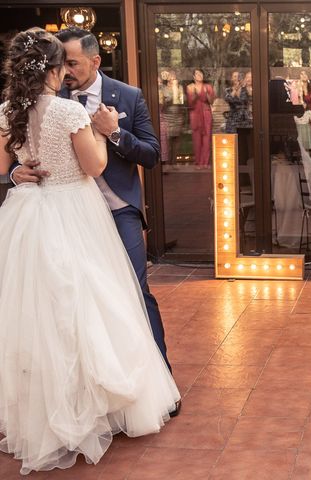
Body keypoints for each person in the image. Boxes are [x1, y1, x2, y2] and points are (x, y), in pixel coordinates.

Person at [0, 27, 180, 475]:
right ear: (56, 68)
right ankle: (100, 405)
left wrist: (16, 170)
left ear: (93, 62)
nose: (70, 72)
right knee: (93, 302)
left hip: (35, 218)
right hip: (75, 213)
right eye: (66, 65)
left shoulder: (8, 110)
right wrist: (104, 133)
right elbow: (93, 165)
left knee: (41, 309)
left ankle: (48, 408)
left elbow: (151, 153)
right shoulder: (64, 110)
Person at [186, 68, 215, 167]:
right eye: (197, 74)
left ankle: (205, 162)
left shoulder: (208, 86)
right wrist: (195, 93)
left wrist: (206, 94)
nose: (200, 75)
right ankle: (198, 162)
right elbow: (190, 102)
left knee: (207, 140)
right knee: (196, 139)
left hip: (206, 114)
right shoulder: (190, 87)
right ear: (194, 77)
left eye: (201, 73)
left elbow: (211, 101)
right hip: (195, 114)